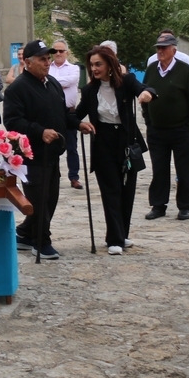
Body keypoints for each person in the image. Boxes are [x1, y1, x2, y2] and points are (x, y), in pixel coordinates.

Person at [4, 39, 81, 261]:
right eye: (42, 59)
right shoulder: (17, 88)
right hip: (32, 155)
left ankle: (28, 233)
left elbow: (62, 113)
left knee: (51, 199)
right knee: (39, 199)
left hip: (53, 153)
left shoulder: (53, 83)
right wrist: (39, 132)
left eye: (48, 58)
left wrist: (78, 124)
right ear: (28, 62)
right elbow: (13, 122)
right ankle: (41, 241)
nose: (47, 63)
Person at [77, 46, 155, 254]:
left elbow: (145, 88)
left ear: (110, 64)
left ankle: (122, 233)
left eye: (98, 64)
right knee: (110, 190)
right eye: (91, 65)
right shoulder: (89, 90)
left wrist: (146, 94)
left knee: (127, 190)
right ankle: (114, 239)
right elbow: (77, 114)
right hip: (103, 142)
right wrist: (79, 125)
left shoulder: (126, 82)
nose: (94, 68)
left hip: (126, 142)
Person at [141, 32, 189, 221]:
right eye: (158, 48)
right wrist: (149, 121)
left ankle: (185, 206)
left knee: (186, 169)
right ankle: (158, 205)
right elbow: (144, 95)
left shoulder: (184, 70)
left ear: (173, 50)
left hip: (181, 130)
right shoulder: (152, 69)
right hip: (157, 130)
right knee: (159, 169)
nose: (160, 51)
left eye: (164, 48)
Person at [48, 40, 83, 188]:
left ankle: (74, 176)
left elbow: (71, 80)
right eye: (55, 51)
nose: (58, 54)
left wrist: (52, 81)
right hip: (51, 112)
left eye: (61, 51)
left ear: (66, 53)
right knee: (50, 143)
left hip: (68, 112)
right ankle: (52, 174)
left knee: (71, 146)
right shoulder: (47, 67)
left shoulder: (74, 68)